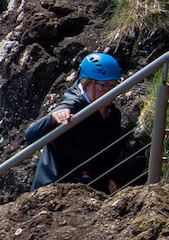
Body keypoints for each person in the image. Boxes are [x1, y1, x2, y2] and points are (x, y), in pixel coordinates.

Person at [25, 52, 130, 192]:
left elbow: (109, 154)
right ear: (87, 83)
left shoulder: (112, 114)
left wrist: (109, 179)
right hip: (54, 186)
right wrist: (53, 118)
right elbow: (30, 135)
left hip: (89, 187)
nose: (109, 91)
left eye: (113, 86)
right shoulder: (73, 104)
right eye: (104, 86)